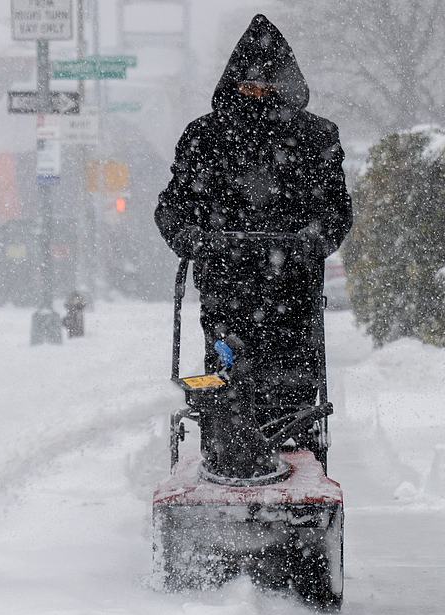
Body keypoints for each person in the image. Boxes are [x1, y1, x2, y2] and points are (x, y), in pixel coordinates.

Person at [155, 14, 352, 421]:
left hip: (293, 285)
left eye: (267, 86)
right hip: (226, 283)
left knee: (292, 378)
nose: (258, 95)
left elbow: (335, 209)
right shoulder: (204, 138)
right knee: (229, 376)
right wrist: (193, 237)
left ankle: (288, 427)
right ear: (233, 84)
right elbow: (172, 207)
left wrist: (313, 238)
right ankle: (228, 435)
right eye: (249, 86)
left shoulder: (317, 138)